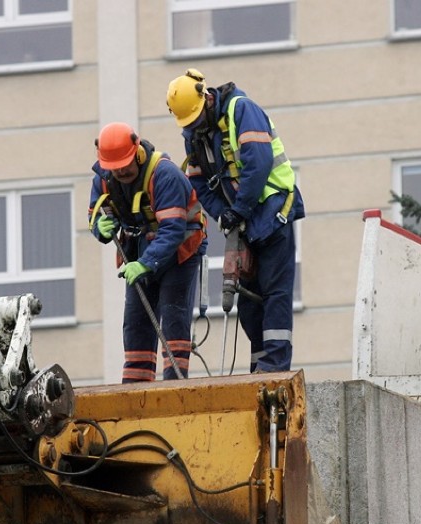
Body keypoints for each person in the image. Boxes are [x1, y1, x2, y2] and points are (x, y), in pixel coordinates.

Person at [166, 69, 304, 373]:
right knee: (250, 302)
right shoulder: (195, 133)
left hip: (274, 210)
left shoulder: (241, 110)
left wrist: (238, 210)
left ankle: (276, 366)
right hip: (247, 222)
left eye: (195, 119)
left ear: (206, 99)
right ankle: (259, 367)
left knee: (275, 293)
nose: (192, 127)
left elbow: (259, 163)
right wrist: (223, 214)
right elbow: (198, 182)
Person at [88, 122, 207, 383]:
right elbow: (94, 215)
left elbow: (173, 230)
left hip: (179, 252)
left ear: (137, 153)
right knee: (136, 322)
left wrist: (145, 263)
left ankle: (175, 385)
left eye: (125, 164)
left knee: (174, 316)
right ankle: (136, 389)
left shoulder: (164, 175)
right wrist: (101, 227)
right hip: (139, 250)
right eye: (114, 167)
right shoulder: (104, 178)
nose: (120, 171)